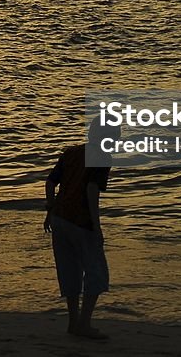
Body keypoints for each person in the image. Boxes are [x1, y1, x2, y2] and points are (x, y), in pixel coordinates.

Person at [43, 117, 116, 339]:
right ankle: (84, 323)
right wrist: (97, 225)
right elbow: (92, 191)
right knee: (96, 272)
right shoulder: (102, 156)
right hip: (81, 221)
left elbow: (50, 182)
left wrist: (50, 210)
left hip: (60, 219)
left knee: (69, 271)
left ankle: (73, 323)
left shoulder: (71, 153)